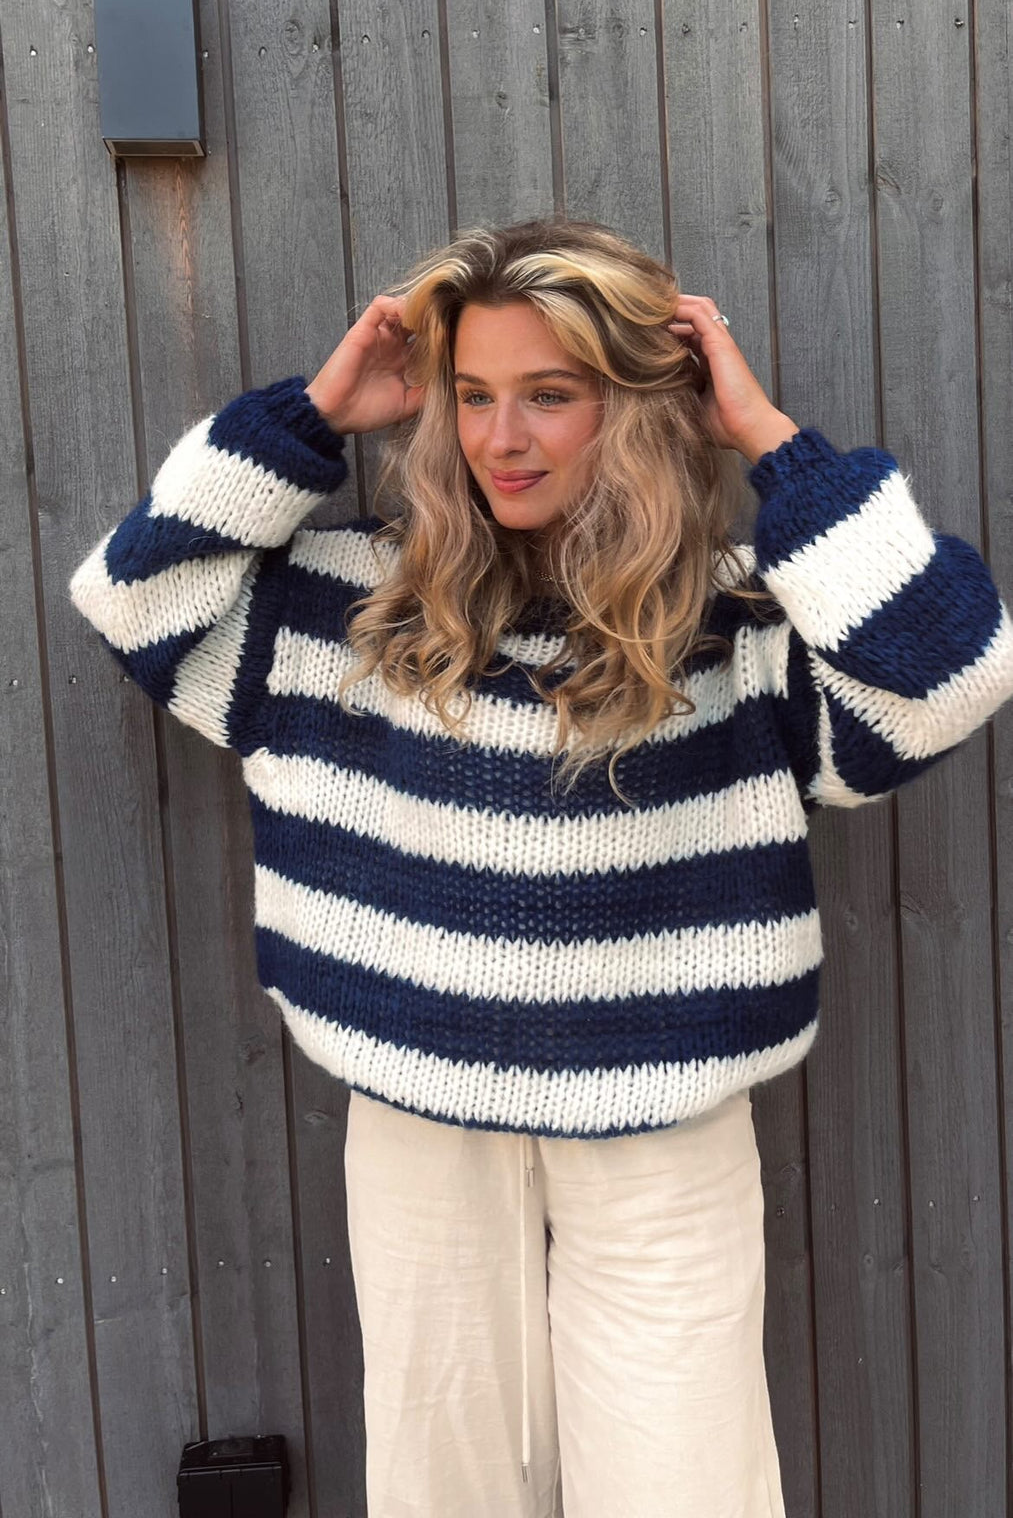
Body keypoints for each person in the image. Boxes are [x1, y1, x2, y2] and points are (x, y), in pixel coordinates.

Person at [68, 216, 1013, 1517]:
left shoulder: (739, 629)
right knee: (441, 1482)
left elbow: (945, 678)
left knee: (683, 1487)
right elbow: (135, 601)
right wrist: (310, 417)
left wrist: (768, 442)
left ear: (635, 406)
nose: (500, 438)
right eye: (472, 395)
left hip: (662, 1137)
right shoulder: (351, 606)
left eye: (550, 395)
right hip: (417, 1122)